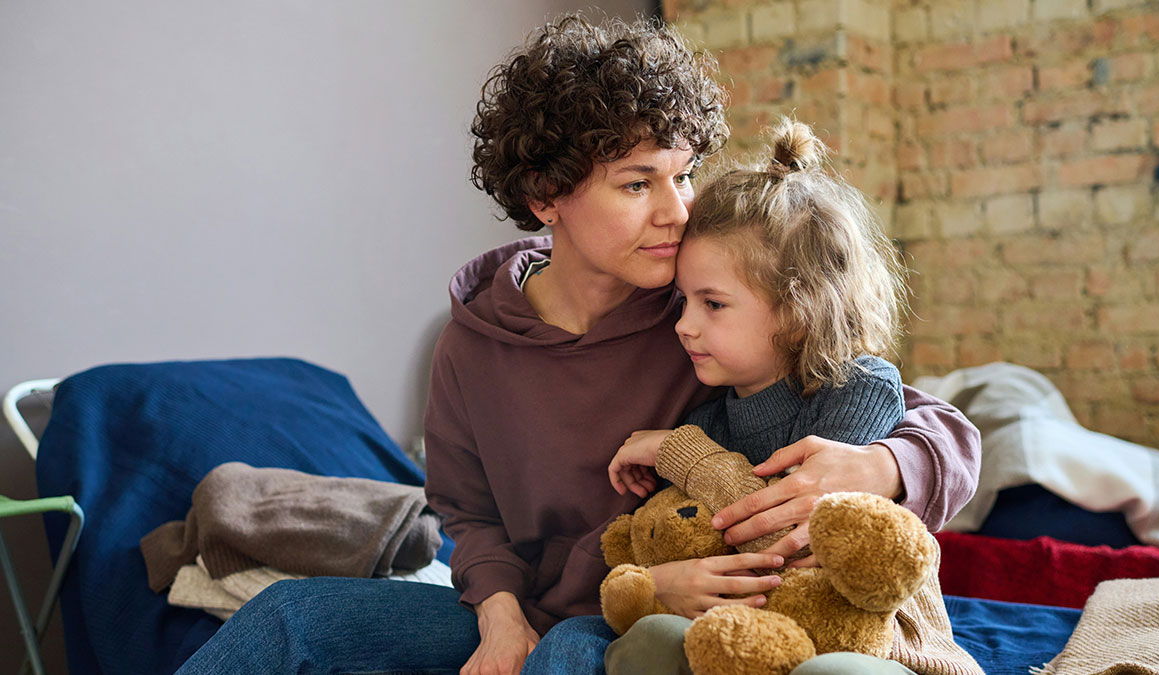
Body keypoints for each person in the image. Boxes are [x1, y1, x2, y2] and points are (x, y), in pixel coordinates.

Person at [175, 15, 979, 675]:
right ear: (545, 196)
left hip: (648, 611)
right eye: (638, 183)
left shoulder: (704, 313)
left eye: (683, 175)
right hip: (538, 606)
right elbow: (467, 512)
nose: (677, 211)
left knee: (567, 654)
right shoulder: (471, 346)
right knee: (291, 613)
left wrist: (880, 466)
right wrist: (498, 614)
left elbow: (918, 415)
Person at [602, 119, 974, 674]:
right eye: (684, 301)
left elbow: (793, 539)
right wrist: (653, 581)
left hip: (876, 642)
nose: (684, 325)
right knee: (650, 638)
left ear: (799, 314)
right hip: (753, 632)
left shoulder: (858, 388)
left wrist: (680, 454)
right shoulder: (709, 420)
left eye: (713, 304)